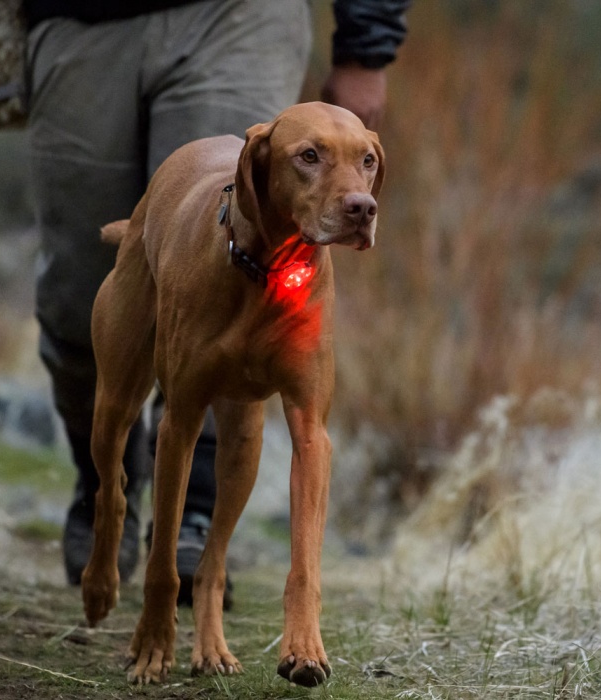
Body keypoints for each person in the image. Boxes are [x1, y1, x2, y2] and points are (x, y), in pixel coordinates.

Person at [23, 0, 411, 603]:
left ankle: (196, 526)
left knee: (248, 251)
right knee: (79, 289)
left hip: (241, 16)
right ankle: (104, 481)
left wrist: (368, 45)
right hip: (79, 23)